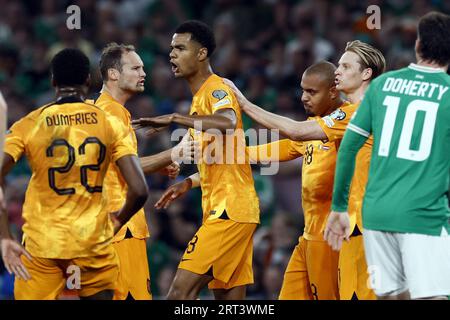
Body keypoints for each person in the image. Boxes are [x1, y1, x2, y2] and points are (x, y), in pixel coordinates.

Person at [225, 40, 385, 300]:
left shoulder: (358, 113)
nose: (338, 71)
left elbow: (296, 131)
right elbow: (277, 148)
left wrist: (243, 103)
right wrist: (214, 157)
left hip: (354, 230)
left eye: (345, 66)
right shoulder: (330, 122)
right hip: (325, 233)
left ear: (366, 73)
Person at [0, 48, 148, 300]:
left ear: (53, 82)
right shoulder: (110, 123)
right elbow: (139, 190)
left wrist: (5, 235)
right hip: (92, 242)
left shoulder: (29, 123)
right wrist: (116, 223)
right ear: (89, 81)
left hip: (43, 243)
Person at [325, 11, 450, 300]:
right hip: (422, 213)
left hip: (376, 214)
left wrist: (339, 207)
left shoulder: (382, 86)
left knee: (392, 295)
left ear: (418, 46)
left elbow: (348, 148)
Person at [133, 20, 260, 300]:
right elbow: (224, 159)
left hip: (228, 212)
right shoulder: (198, 101)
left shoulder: (217, 89)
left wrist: (175, 118)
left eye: (180, 48)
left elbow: (228, 121)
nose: (171, 55)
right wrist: (187, 182)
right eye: (170, 49)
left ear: (201, 54)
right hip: (234, 211)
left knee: (178, 295)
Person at [89, 43, 194, 300]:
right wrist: (174, 152)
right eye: (135, 68)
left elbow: (122, 165)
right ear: (113, 74)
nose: (143, 73)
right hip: (120, 225)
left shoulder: (103, 111)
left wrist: (159, 162)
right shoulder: (112, 115)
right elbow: (127, 172)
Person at [244, 61, 346, 299]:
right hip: (308, 237)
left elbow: (295, 132)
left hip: (330, 237)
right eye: (302, 90)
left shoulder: (346, 118)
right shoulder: (314, 125)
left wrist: (245, 104)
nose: (303, 97)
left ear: (333, 91)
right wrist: (230, 153)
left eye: (312, 92)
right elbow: (286, 146)